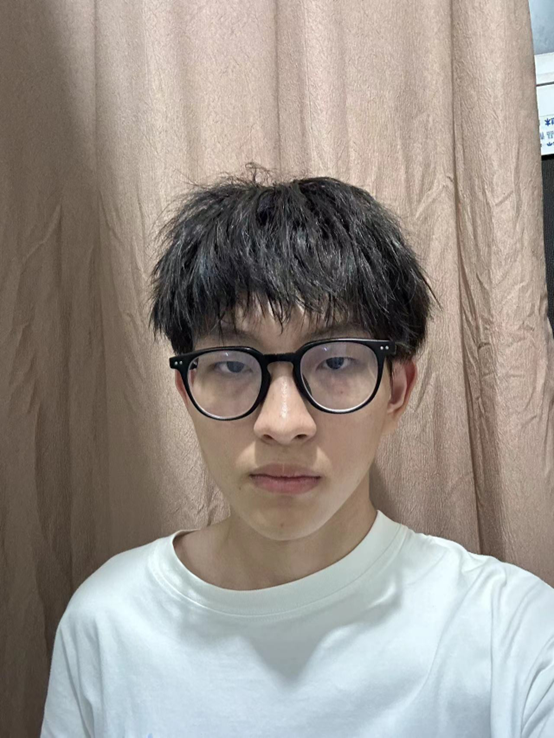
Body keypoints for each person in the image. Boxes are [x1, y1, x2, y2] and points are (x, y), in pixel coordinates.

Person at [41, 169, 554, 737]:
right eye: (232, 365)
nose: (283, 424)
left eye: (335, 361)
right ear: (186, 390)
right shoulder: (107, 625)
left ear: (396, 392)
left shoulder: (513, 637)